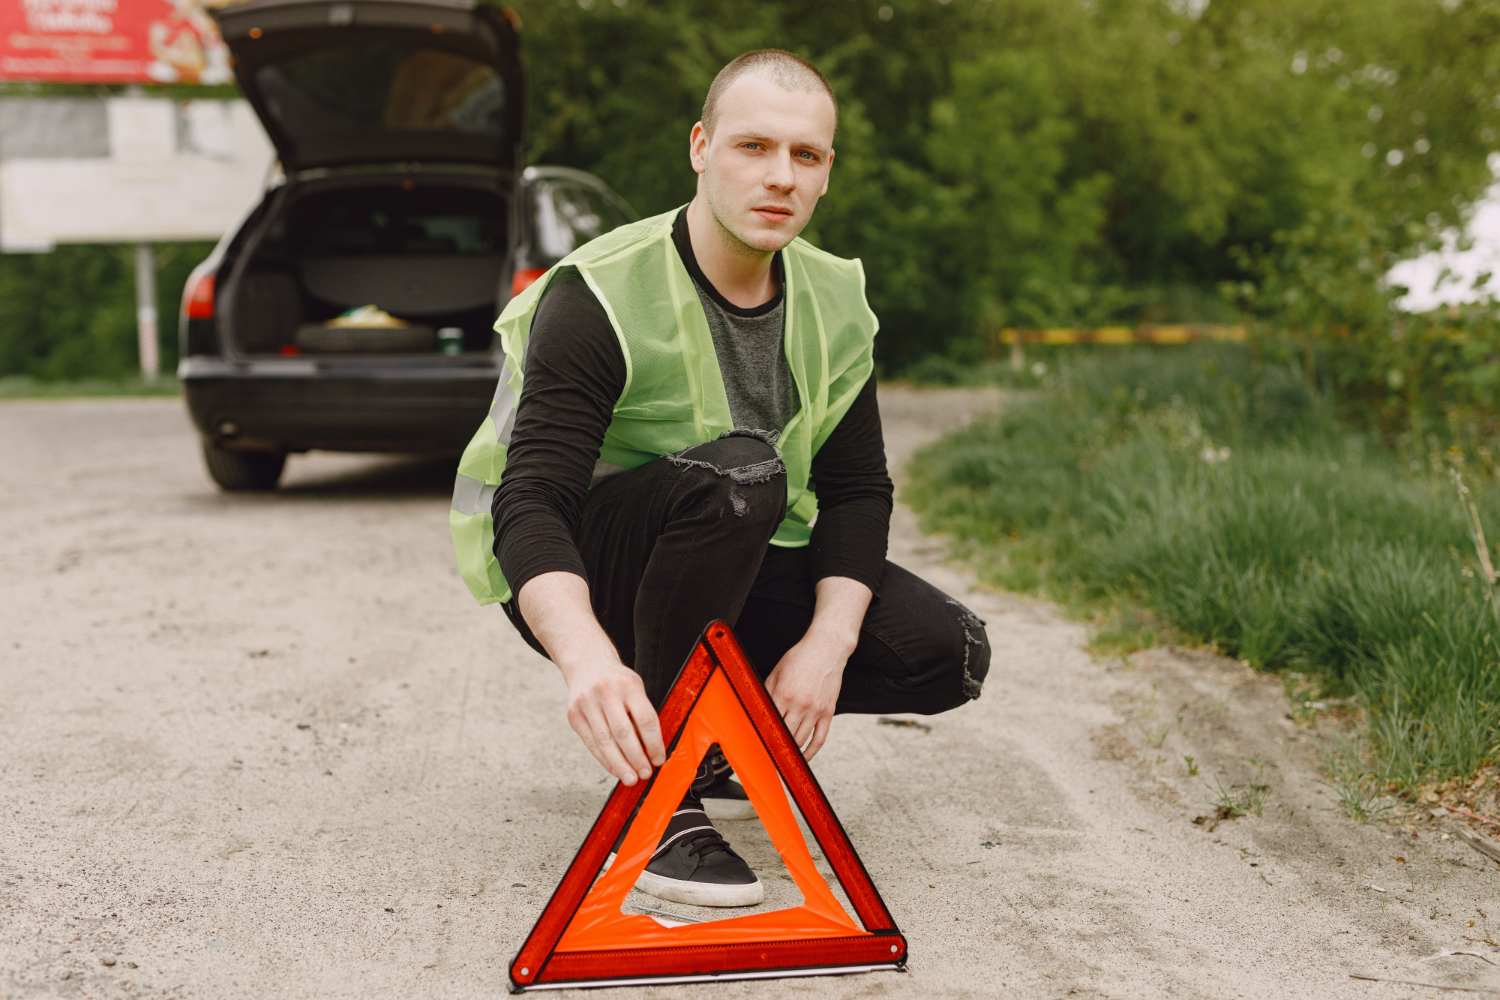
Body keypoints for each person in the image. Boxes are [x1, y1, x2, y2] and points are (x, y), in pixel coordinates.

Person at [450, 49, 990, 908]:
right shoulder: (601, 293)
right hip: (587, 570)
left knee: (945, 652)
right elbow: (532, 500)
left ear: (826, 173)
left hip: (735, 541)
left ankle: (712, 742)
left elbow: (856, 491)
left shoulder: (835, 298)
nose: (779, 177)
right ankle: (657, 805)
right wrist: (587, 659)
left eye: (804, 156)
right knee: (742, 471)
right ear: (701, 147)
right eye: (753, 147)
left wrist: (825, 648)